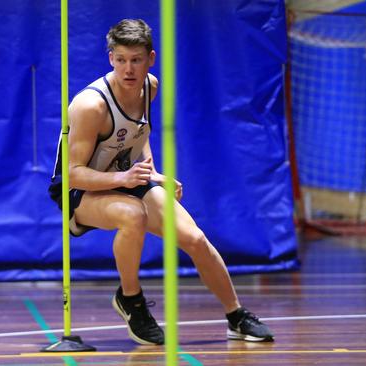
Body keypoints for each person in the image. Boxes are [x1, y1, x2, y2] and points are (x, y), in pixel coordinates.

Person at [49, 18, 274, 345]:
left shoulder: (149, 87)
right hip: (80, 190)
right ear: (111, 58)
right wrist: (124, 177)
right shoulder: (90, 105)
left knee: (195, 239)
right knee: (132, 215)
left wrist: (151, 172)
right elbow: (72, 173)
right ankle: (131, 299)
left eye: (136, 60)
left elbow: (139, 134)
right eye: (121, 59)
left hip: (125, 177)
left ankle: (236, 314)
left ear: (150, 59)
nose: (129, 69)